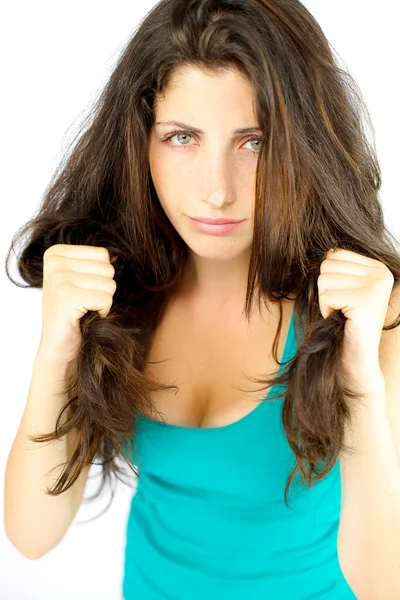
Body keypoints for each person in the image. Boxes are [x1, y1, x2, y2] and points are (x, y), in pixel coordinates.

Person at [4, 1, 400, 598]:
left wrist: (360, 380)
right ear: (141, 142)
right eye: (182, 137)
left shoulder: (369, 312)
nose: (216, 191)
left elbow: (385, 585)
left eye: (254, 142)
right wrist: (55, 349)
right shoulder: (119, 294)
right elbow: (31, 536)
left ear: (303, 147)